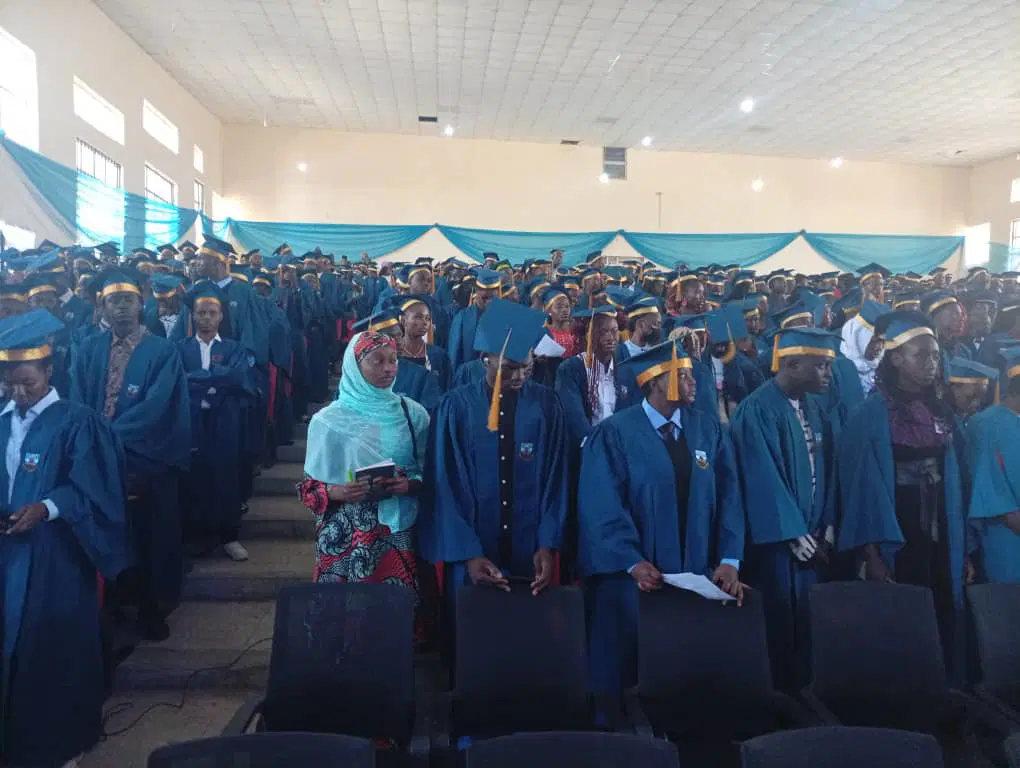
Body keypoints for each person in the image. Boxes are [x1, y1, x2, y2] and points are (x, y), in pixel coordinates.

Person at [0, 310, 132, 768]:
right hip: (5, 557)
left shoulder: (78, 421)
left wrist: (47, 507)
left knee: (50, 648)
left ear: (49, 371)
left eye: (28, 383)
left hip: (55, 556)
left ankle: (60, 745)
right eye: (9, 384)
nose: (19, 393)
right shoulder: (1, 421)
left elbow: (95, 489)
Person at [578, 340, 744, 694]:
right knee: (629, 670)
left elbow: (730, 496)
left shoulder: (708, 428)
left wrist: (730, 558)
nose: (692, 381)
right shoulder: (614, 433)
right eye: (682, 375)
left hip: (698, 574)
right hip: (637, 579)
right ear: (655, 381)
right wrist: (631, 561)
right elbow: (601, 505)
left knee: (687, 670)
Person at [836, 311, 969, 679]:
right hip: (897, 523)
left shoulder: (941, 410)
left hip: (942, 522)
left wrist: (965, 545)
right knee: (901, 610)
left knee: (942, 599)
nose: (931, 364)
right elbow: (858, 490)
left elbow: (958, 479)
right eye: (921, 355)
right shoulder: (871, 414)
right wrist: (871, 552)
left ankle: (941, 689)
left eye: (935, 355)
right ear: (895, 357)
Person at [70, 269, 191, 641]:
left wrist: (106, 435)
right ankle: (113, 604)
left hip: (146, 457)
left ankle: (152, 608)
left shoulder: (162, 350)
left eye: (128, 300)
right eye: (113, 301)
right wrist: (91, 441)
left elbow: (156, 407)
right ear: (102, 306)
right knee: (106, 530)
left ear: (142, 303)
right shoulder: (89, 348)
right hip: (97, 456)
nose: (121, 307)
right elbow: (77, 397)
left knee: (151, 535)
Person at [420, 298, 569, 595]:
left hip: (531, 553)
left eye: (526, 368)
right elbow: (443, 484)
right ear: (485, 357)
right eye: (509, 368)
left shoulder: (547, 405)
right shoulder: (455, 408)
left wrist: (547, 544)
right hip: (471, 554)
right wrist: (468, 554)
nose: (517, 377)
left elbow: (557, 479)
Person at [729, 327, 840, 690]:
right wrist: (791, 531)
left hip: (813, 534)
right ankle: (778, 698)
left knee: (811, 620)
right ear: (791, 364)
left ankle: (808, 693)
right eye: (821, 366)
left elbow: (826, 469)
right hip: (776, 542)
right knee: (778, 619)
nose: (828, 374)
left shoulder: (812, 406)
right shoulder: (756, 409)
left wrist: (826, 523)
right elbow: (759, 475)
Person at [299, 331, 429, 593]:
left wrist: (410, 485)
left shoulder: (413, 414)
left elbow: (433, 472)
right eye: (377, 361)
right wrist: (337, 491)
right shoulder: (327, 421)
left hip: (399, 528)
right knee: (346, 614)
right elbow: (309, 489)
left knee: (399, 611)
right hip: (345, 536)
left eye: (393, 360)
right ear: (354, 367)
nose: (388, 369)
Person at [178, 282, 255, 561]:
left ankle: (229, 537)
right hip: (191, 422)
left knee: (226, 477)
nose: (207, 318)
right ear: (193, 316)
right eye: (201, 313)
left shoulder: (235, 348)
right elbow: (178, 384)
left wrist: (200, 379)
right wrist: (216, 378)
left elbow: (237, 378)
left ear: (221, 316)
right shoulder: (180, 348)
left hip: (225, 421)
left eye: (212, 313)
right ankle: (197, 537)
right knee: (194, 477)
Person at [966, 348, 1020, 583]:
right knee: (1006, 600)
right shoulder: (984, 424)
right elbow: (986, 480)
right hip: (1003, 529)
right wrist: (1010, 515)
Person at [555, 305, 625, 447]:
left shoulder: (623, 368)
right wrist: (595, 445)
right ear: (588, 335)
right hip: (584, 448)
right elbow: (574, 415)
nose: (610, 338)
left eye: (614, 331)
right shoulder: (570, 369)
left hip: (618, 445)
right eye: (603, 332)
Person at [446, 269, 502, 371]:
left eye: (493, 298)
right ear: (476, 292)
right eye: (484, 298)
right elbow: (454, 354)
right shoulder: (463, 317)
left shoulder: (506, 316)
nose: (488, 302)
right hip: (471, 375)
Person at [395, 294, 453, 392]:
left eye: (428, 318)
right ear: (403, 320)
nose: (425, 322)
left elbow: (447, 390)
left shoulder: (438, 356)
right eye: (418, 317)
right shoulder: (393, 355)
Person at [945, 357, 997, 422]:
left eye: (981, 400)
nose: (977, 404)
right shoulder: (941, 416)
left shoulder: (973, 419)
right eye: (972, 397)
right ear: (954, 388)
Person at [618, 296, 663, 361]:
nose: (658, 328)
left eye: (659, 324)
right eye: (655, 324)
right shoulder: (619, 352)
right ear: (641, 324)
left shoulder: (658, 351)